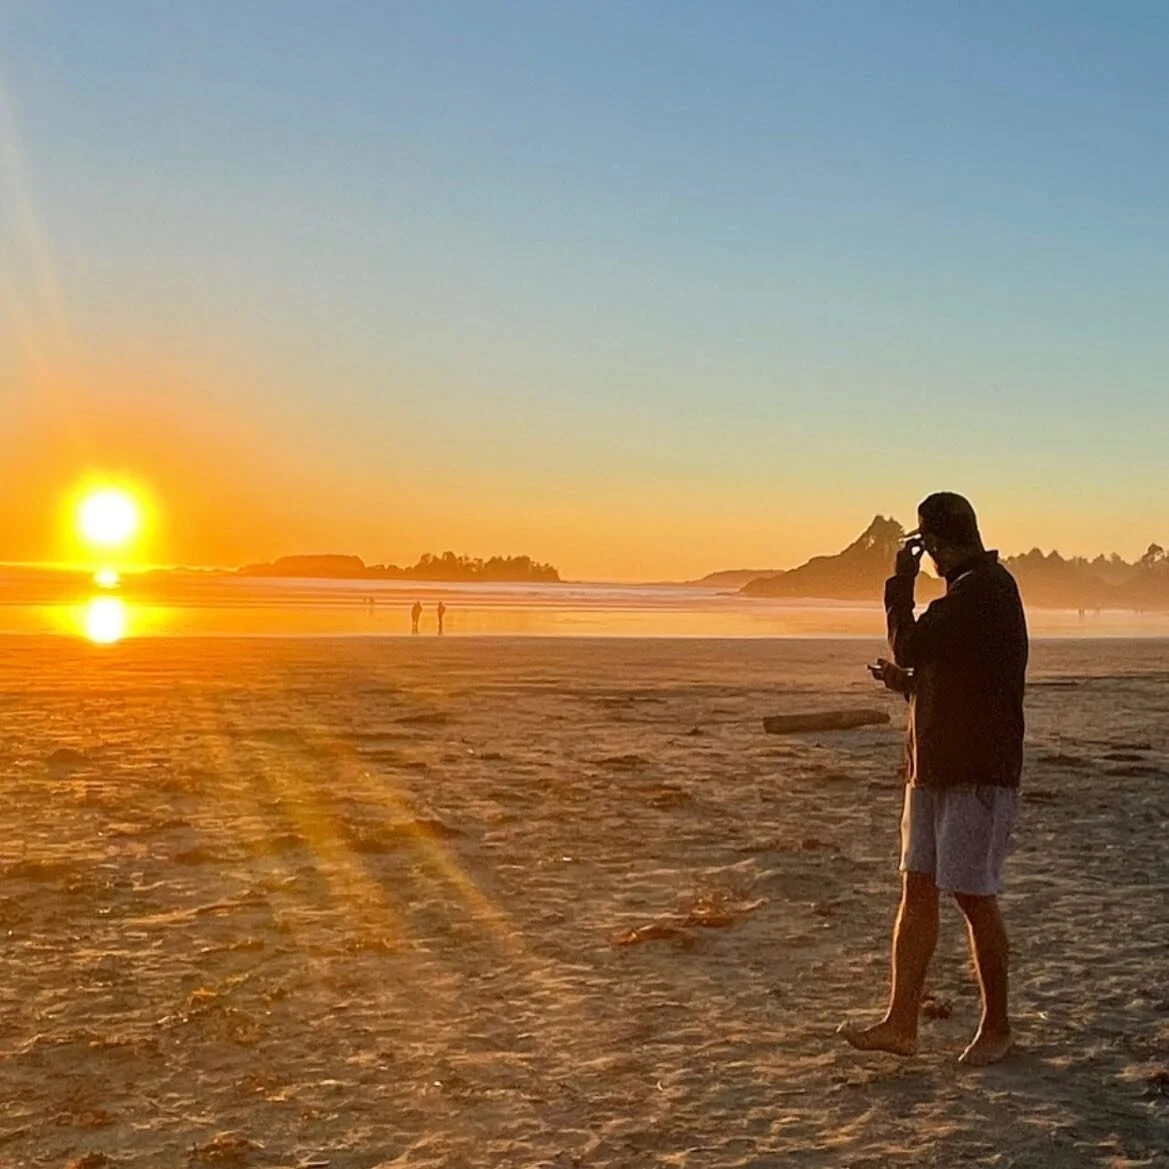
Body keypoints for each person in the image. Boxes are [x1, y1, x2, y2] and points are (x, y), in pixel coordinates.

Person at [838, 492, 1028, 1067]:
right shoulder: (970, 593)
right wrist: (908, 684)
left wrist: (900, 584)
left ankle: (996, 1028)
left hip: (973, 774)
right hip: (935, 768)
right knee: (917, 890)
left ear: (936, 545)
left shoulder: (983, 591)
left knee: (973, 895)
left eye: (926, 548)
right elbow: (949, 669)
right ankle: (902, 1023)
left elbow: (914, 640)